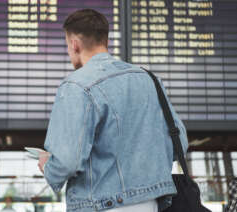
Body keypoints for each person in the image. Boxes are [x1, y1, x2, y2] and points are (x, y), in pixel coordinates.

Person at [37, 9, 189, 212]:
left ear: (74, 44)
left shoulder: (76, 85)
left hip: (101, 204)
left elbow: (68, 161)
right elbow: (180, 142)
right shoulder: (150, 80)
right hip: (152, 203)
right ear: (105, 41)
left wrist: (49, 167)